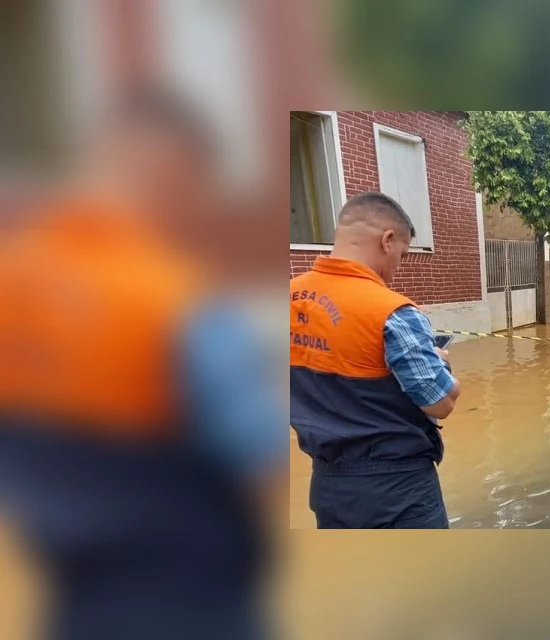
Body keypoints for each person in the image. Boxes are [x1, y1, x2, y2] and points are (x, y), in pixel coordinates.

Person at [0, 90, 282, 639]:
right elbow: (261, 466)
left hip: (76, 599)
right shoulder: (178, 303)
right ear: (175, 175)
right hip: (192, 603)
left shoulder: (11, 279)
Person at [290, 191, 461, 529]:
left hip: (327, 486)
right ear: (387, 240)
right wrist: (439, 362)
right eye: (403, 253)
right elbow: (441, 402)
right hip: (397, 491)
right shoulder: (391, 311)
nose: (398, 267)